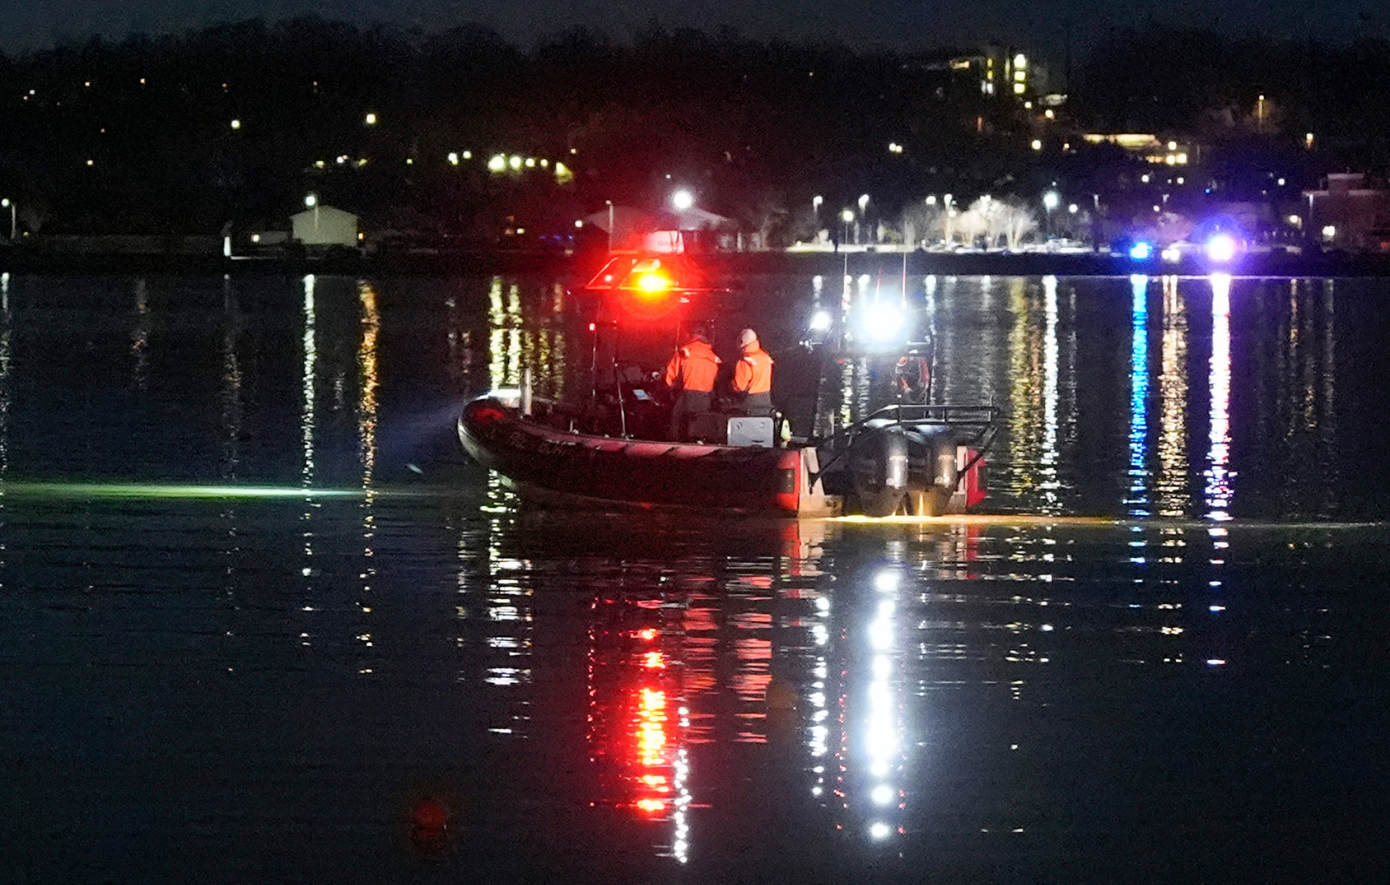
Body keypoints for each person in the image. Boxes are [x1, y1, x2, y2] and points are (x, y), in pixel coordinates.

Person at [663, 328, 720, 440]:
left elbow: (670, 375)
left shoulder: (684, 351)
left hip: (688, 394)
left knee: (677, 421)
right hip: (706, 396)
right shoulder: (713, 356)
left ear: (691, 337)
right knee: (700, 424)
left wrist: (671, 388)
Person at [730, 328, 774, 416]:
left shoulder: (745, 361)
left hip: (751, 403)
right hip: (766, 401)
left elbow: (740, 387)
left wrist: (731, 385)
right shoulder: (765, 357)